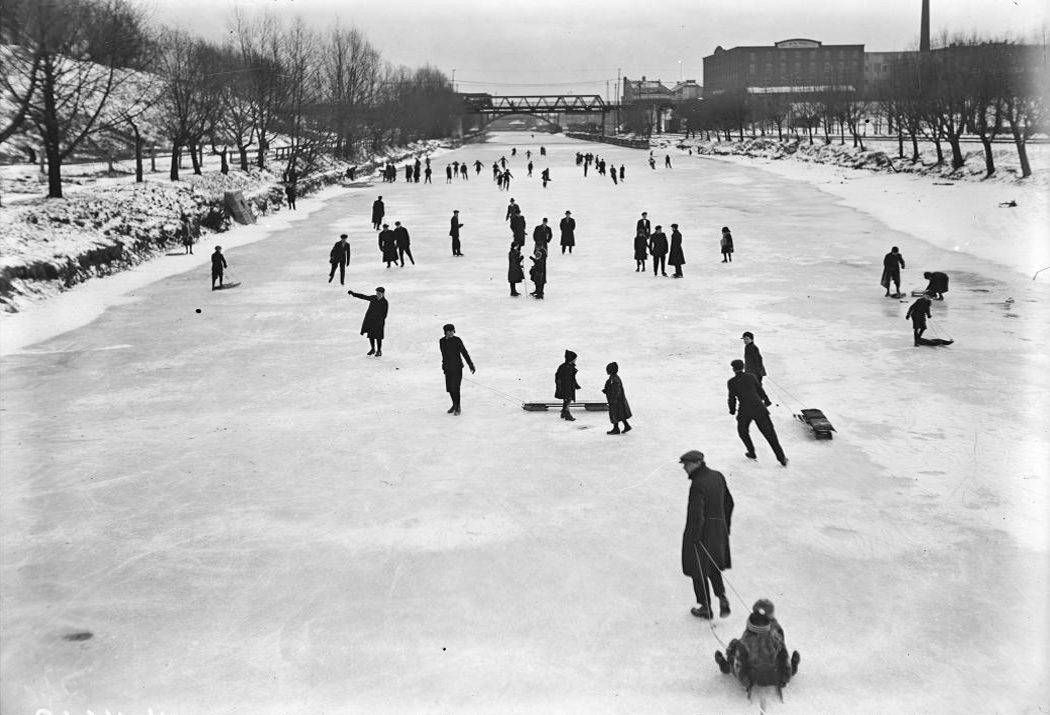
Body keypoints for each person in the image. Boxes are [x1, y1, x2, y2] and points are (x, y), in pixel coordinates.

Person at [679, 450, 734, 620]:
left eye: (687, 465)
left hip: (701, 534)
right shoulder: (717, 476)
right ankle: (722, 597)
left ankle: (705, 607)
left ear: (697, 463)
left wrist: (694, 537)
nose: (685, 469)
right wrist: (725, 526)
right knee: (713, 565)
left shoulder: (698, 484)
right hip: (718, 530)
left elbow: (697, 513)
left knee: (698, 570)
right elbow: (729, 502)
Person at [715, 600, 800, 699]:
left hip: (754, 677)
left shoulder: (744, 643)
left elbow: (740, 666)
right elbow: (784, 658)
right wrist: (785, 677)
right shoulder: (776, 638)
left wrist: (746, 683)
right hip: (775, 675)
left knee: (733, 648)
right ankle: (793, 668)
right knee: (782, 660)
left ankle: (725, 666)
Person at [727, 360, 787, 466]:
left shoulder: (731, 382)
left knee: (742, 431)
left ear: (733, 369)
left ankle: (751, 452)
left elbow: (732, 398)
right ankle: (781, 458)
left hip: (744, 411)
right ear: (744, 367)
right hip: (759, 408)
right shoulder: (751, 376)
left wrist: (732, 410)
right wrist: (766, 400)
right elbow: (759, 389)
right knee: (770, 434)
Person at [439, 324, 476, 415]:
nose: (451, 333)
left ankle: (458, 406)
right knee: (450, 388)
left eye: (452, 331)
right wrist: (444, 366)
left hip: (457, 368)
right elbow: (444, 355)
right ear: (445, 332)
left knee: (455, 388)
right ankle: (454, 404)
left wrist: (470, 364)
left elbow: (464, 353)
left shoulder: (457, 340)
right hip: (448, 368)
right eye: (449, 331)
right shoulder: (442, 341)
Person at [348, 287, 388, 356]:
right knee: (371, 335)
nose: (378, 295)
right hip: (370, 320)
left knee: (378, 337)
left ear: (383, 293)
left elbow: (384, 314)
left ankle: (379, 351)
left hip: (379, 322)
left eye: (379, 294)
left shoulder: (384, 302)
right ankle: (372, 349)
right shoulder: (373, 298)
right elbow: (364, 297)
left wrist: (380, 321)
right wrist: (353, 294)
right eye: (377, 293)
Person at [602, 362, 632, 435]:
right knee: (620, 414)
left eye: (607, 369)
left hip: (616, 401)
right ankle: (626, 426)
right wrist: (606, 390)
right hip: (618, 400)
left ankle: (616, 429)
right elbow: (612, 388)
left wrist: (613, 400)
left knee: (615, 414)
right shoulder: (613, 378)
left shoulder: (614, 379)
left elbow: (616, 390)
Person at [555, 350, 580, 420]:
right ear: (571, 359)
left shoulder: (571, 367)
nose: (575, 360)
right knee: (567, 400)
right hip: (565, 387)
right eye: (574, 359)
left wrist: (576, 385)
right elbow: (558, 378)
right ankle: (567, 414)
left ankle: (563, 412)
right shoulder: (563, 367)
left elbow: (572, 378)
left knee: (567, 400)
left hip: (570, 387)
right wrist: (559, 388)